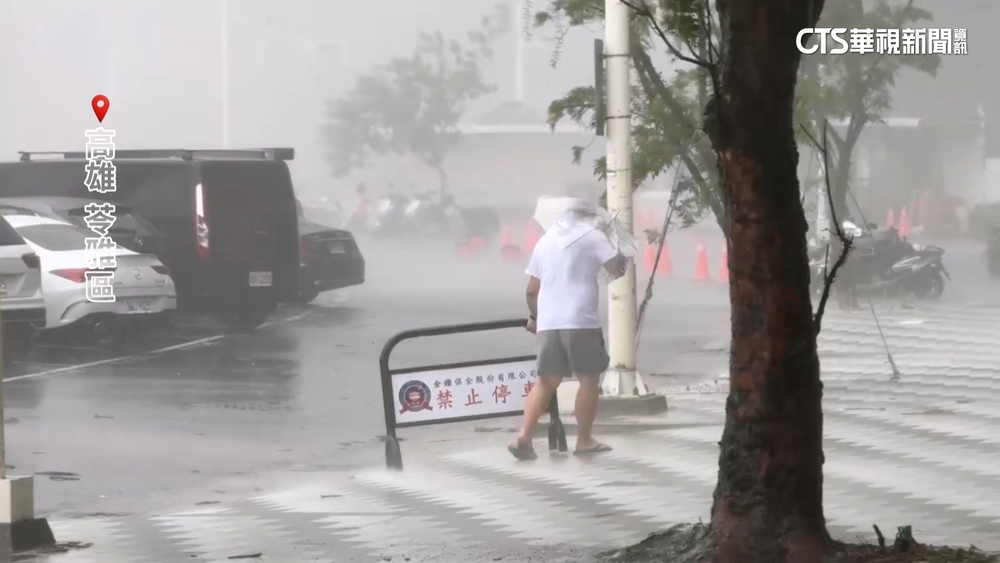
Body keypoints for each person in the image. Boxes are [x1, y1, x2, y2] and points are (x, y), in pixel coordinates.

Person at [508, 205, 628, 460]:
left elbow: (531, 290)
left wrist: (535, 318)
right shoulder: (594, 236)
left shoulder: (545, 240)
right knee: (588, 379)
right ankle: (584, 440)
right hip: (580, 320)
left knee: (546, 382)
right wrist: (616, 242)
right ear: (589, 219)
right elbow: (617, 269)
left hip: (548, 322)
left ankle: (524, 436)